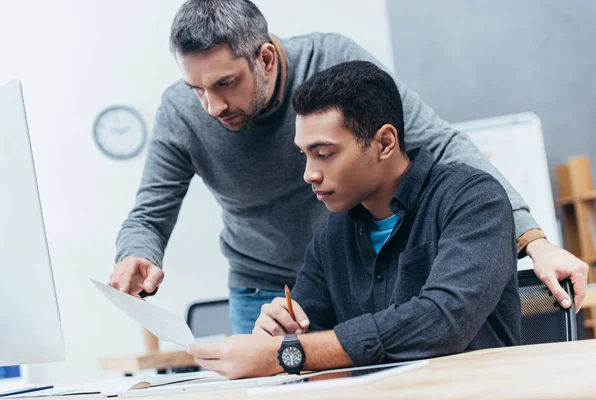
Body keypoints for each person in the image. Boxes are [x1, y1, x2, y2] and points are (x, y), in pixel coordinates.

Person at [108, 0, 587, 334]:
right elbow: (149, 214)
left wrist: (533, 239)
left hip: (357, 276)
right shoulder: (181, 111)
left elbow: (437, 142)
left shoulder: (332, 60)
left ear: (267, 58)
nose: (211, 107)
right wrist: (136, 254)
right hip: (264, 289)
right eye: (197, 89)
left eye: (226, 83)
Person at [188, 61, 520, 379]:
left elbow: (443, 321)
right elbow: (306, 336)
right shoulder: (331, 237)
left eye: (325, 154)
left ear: (385, 143)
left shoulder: (473, 200)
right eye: (304, 154)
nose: (309, 174)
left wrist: (285, 353)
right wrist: (277, 334)